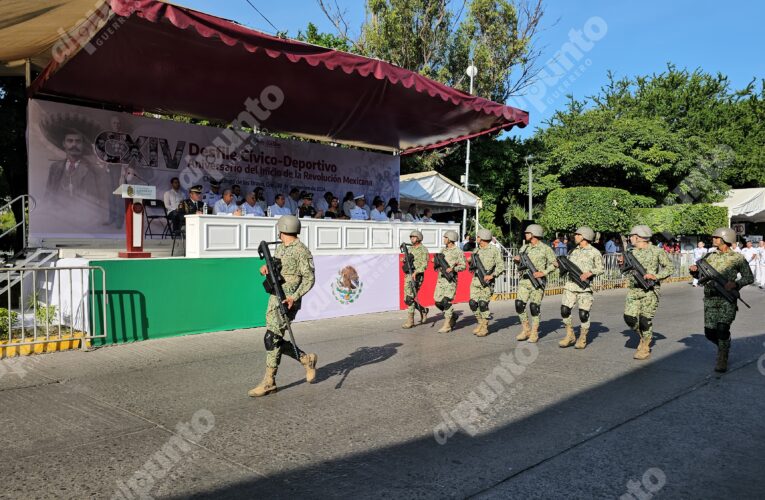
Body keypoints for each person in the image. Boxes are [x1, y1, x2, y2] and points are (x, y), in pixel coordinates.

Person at [249, 215, 318, 397]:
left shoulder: (301, 251)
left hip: (288, 301)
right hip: (274, 297)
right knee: (274, 339)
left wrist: (294, 297)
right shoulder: (281, 247)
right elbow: (276, 266)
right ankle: (306, 359)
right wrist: (266, 267)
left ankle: (269, 382)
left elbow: (309, 279)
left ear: (282, 229)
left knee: (271, 338)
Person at [689, 228, 754, 373]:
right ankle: (724, 344)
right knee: (709, 333)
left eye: (716, 237)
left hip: (727, 298)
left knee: (722, 329)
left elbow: (749, 277)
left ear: (725, 239)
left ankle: (722, 355)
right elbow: (700, 275)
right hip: (710, 299)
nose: (713, 239)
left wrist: (736, 284)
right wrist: (693, 270)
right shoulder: (709, 256)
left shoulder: (737, 258)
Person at [620, 225, 675, 361]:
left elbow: (670, 268)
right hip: (634, 290)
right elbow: (625, 270)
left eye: (631, 236)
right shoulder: (631, 252)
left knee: (644, 320)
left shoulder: (657, 251)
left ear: (638, 237)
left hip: (650, 290)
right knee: (629, 318)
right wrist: (620, 263)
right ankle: (643, 337)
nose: (630, 238)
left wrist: (655, 276)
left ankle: (645, 345)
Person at [557, 227, 603, 349]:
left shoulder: (594, 252)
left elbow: (601, 268)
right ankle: (570, 335)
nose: (575, 236)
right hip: (571, 286)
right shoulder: (573, 251)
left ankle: (582, 337)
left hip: (585, 288)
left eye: (577, 234)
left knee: (583, 314)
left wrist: (589, 273)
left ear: (584, 236)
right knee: (564, 310)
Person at [514, 224, 557, 343]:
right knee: (519, 304)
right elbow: (521, 265)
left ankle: (534, 332)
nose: (525, 234)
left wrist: (543, 272)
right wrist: (517, 261)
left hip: (538, 282)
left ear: (534, 234)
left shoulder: (545, 248)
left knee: (534, 307)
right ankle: (526, 329)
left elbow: (555, 264)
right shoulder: (524, 248)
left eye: (528, 233)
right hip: (524, 281)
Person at [469, 228, 505, 337]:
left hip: (487, 282)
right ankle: (480, 322)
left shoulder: (494, 250)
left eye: (478, 236)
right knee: (473, 303)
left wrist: (492, 275)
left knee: (483, 304)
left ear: (483, 238)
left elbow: (501, 266)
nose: (477, 238)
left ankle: (484, 327)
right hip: (475, 281)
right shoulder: (476, 250)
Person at [433, 230, 467, 333]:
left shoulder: (458, 251)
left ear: (451, 239)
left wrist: (453, 269)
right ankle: (453, 315)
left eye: (445, 237)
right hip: (441, 280)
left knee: (445, 301)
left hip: (450, 280)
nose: (444, 239)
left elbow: (463, 266)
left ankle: (447, 325)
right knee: (438, 302)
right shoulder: (443, 250)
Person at [401, 230, 429, 329]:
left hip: (417, 276)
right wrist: (404, 259)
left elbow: (425, 265)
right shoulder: (410, 248)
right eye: (411, 237)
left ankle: (410, 321)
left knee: (410, 298)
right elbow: (407, 260)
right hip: (408, 275)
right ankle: (423, 310)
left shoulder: (423, 250)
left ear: (419, 238)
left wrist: (416, 272)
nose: (412, 239)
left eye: (414, 237)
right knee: (407, 299)